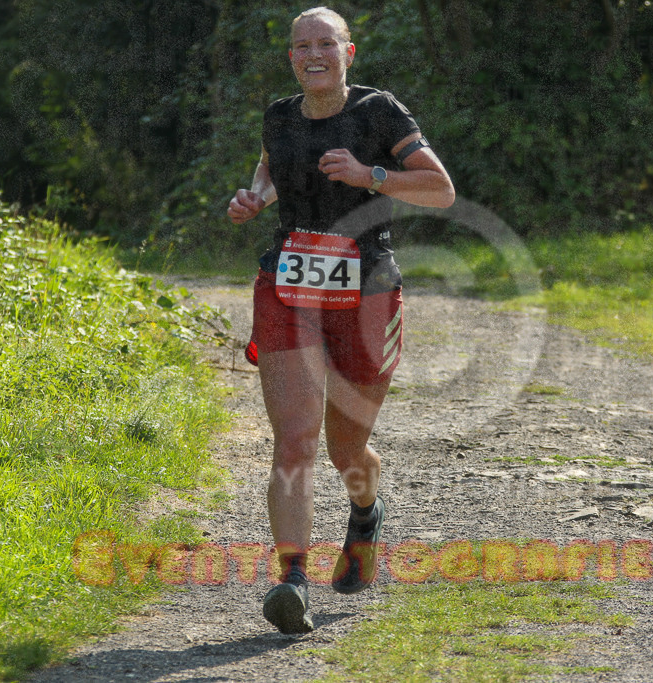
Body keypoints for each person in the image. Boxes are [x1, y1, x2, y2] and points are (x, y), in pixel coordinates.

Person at [226, 7, 455, 634]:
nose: (313, 53)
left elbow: (442, 190)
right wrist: (254, 197)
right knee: (294, 438)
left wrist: (368, 174)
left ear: (347, 54)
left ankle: (365, 512)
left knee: (343, 446)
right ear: (292, 58)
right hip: (288, 286)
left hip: (367, 292)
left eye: (326, 42)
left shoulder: (380, 112)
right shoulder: (278, 116)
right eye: (302, 45)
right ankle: (291, 580)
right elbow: (271, 171)